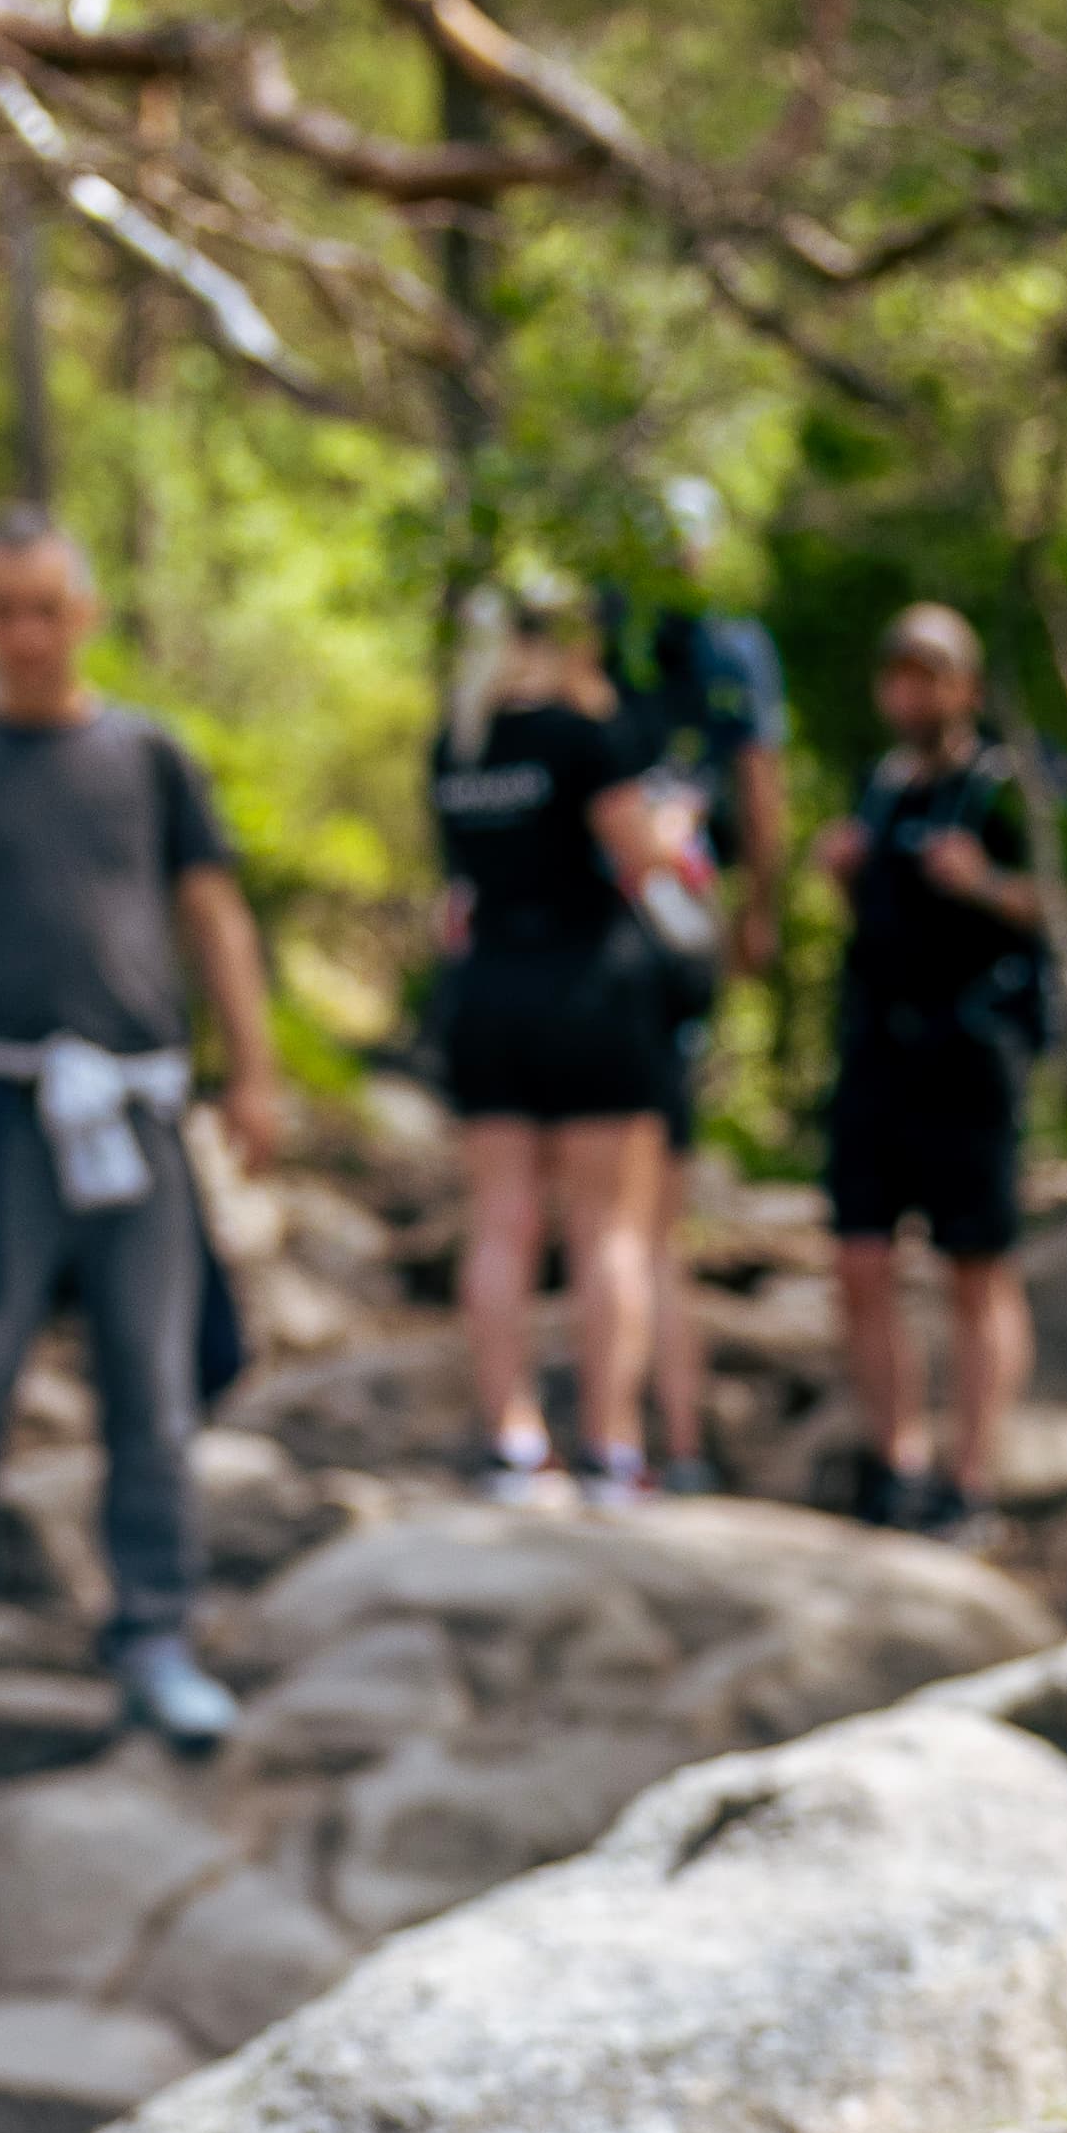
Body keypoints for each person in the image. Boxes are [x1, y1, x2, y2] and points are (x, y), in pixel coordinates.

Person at [0, 513, 280, 1747]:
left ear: (85, 615)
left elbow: (215, 916)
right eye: (3, 610)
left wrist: (255, 1071)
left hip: (137, 1104)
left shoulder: (149, 758)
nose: (25, 635)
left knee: (151, 1384)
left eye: (46, 609)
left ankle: (155, 1630)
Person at [430, 569, 675, 1507]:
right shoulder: (585, 735)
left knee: (501, 1223)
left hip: (487, 993)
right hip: (586, 991)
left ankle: (514, 1444)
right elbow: (641, 857)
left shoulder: (454, 746)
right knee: (606, 1227)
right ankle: (611, 1448)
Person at [816, 601, 1046, 1534]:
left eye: (930, 674)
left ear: (966, 686)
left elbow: (1066, 909)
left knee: (974, 1267)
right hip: (877, 1049)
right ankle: (892, 1461)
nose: (912, 693)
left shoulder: (1009, 790)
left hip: (973, 1054)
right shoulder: (880, 789)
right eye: (898, 674)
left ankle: (971, 1479)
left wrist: (983, 883)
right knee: (862, 1258)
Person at [603, 489, 790, 1496]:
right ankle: (644, 1439)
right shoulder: (643, 645)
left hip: (654, 954)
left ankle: (656, 1439)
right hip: (624, 955)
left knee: (635, 1215)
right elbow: (761, 785)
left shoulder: (710, 651)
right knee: (634, 1217)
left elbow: (758, 784)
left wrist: (757, 909)